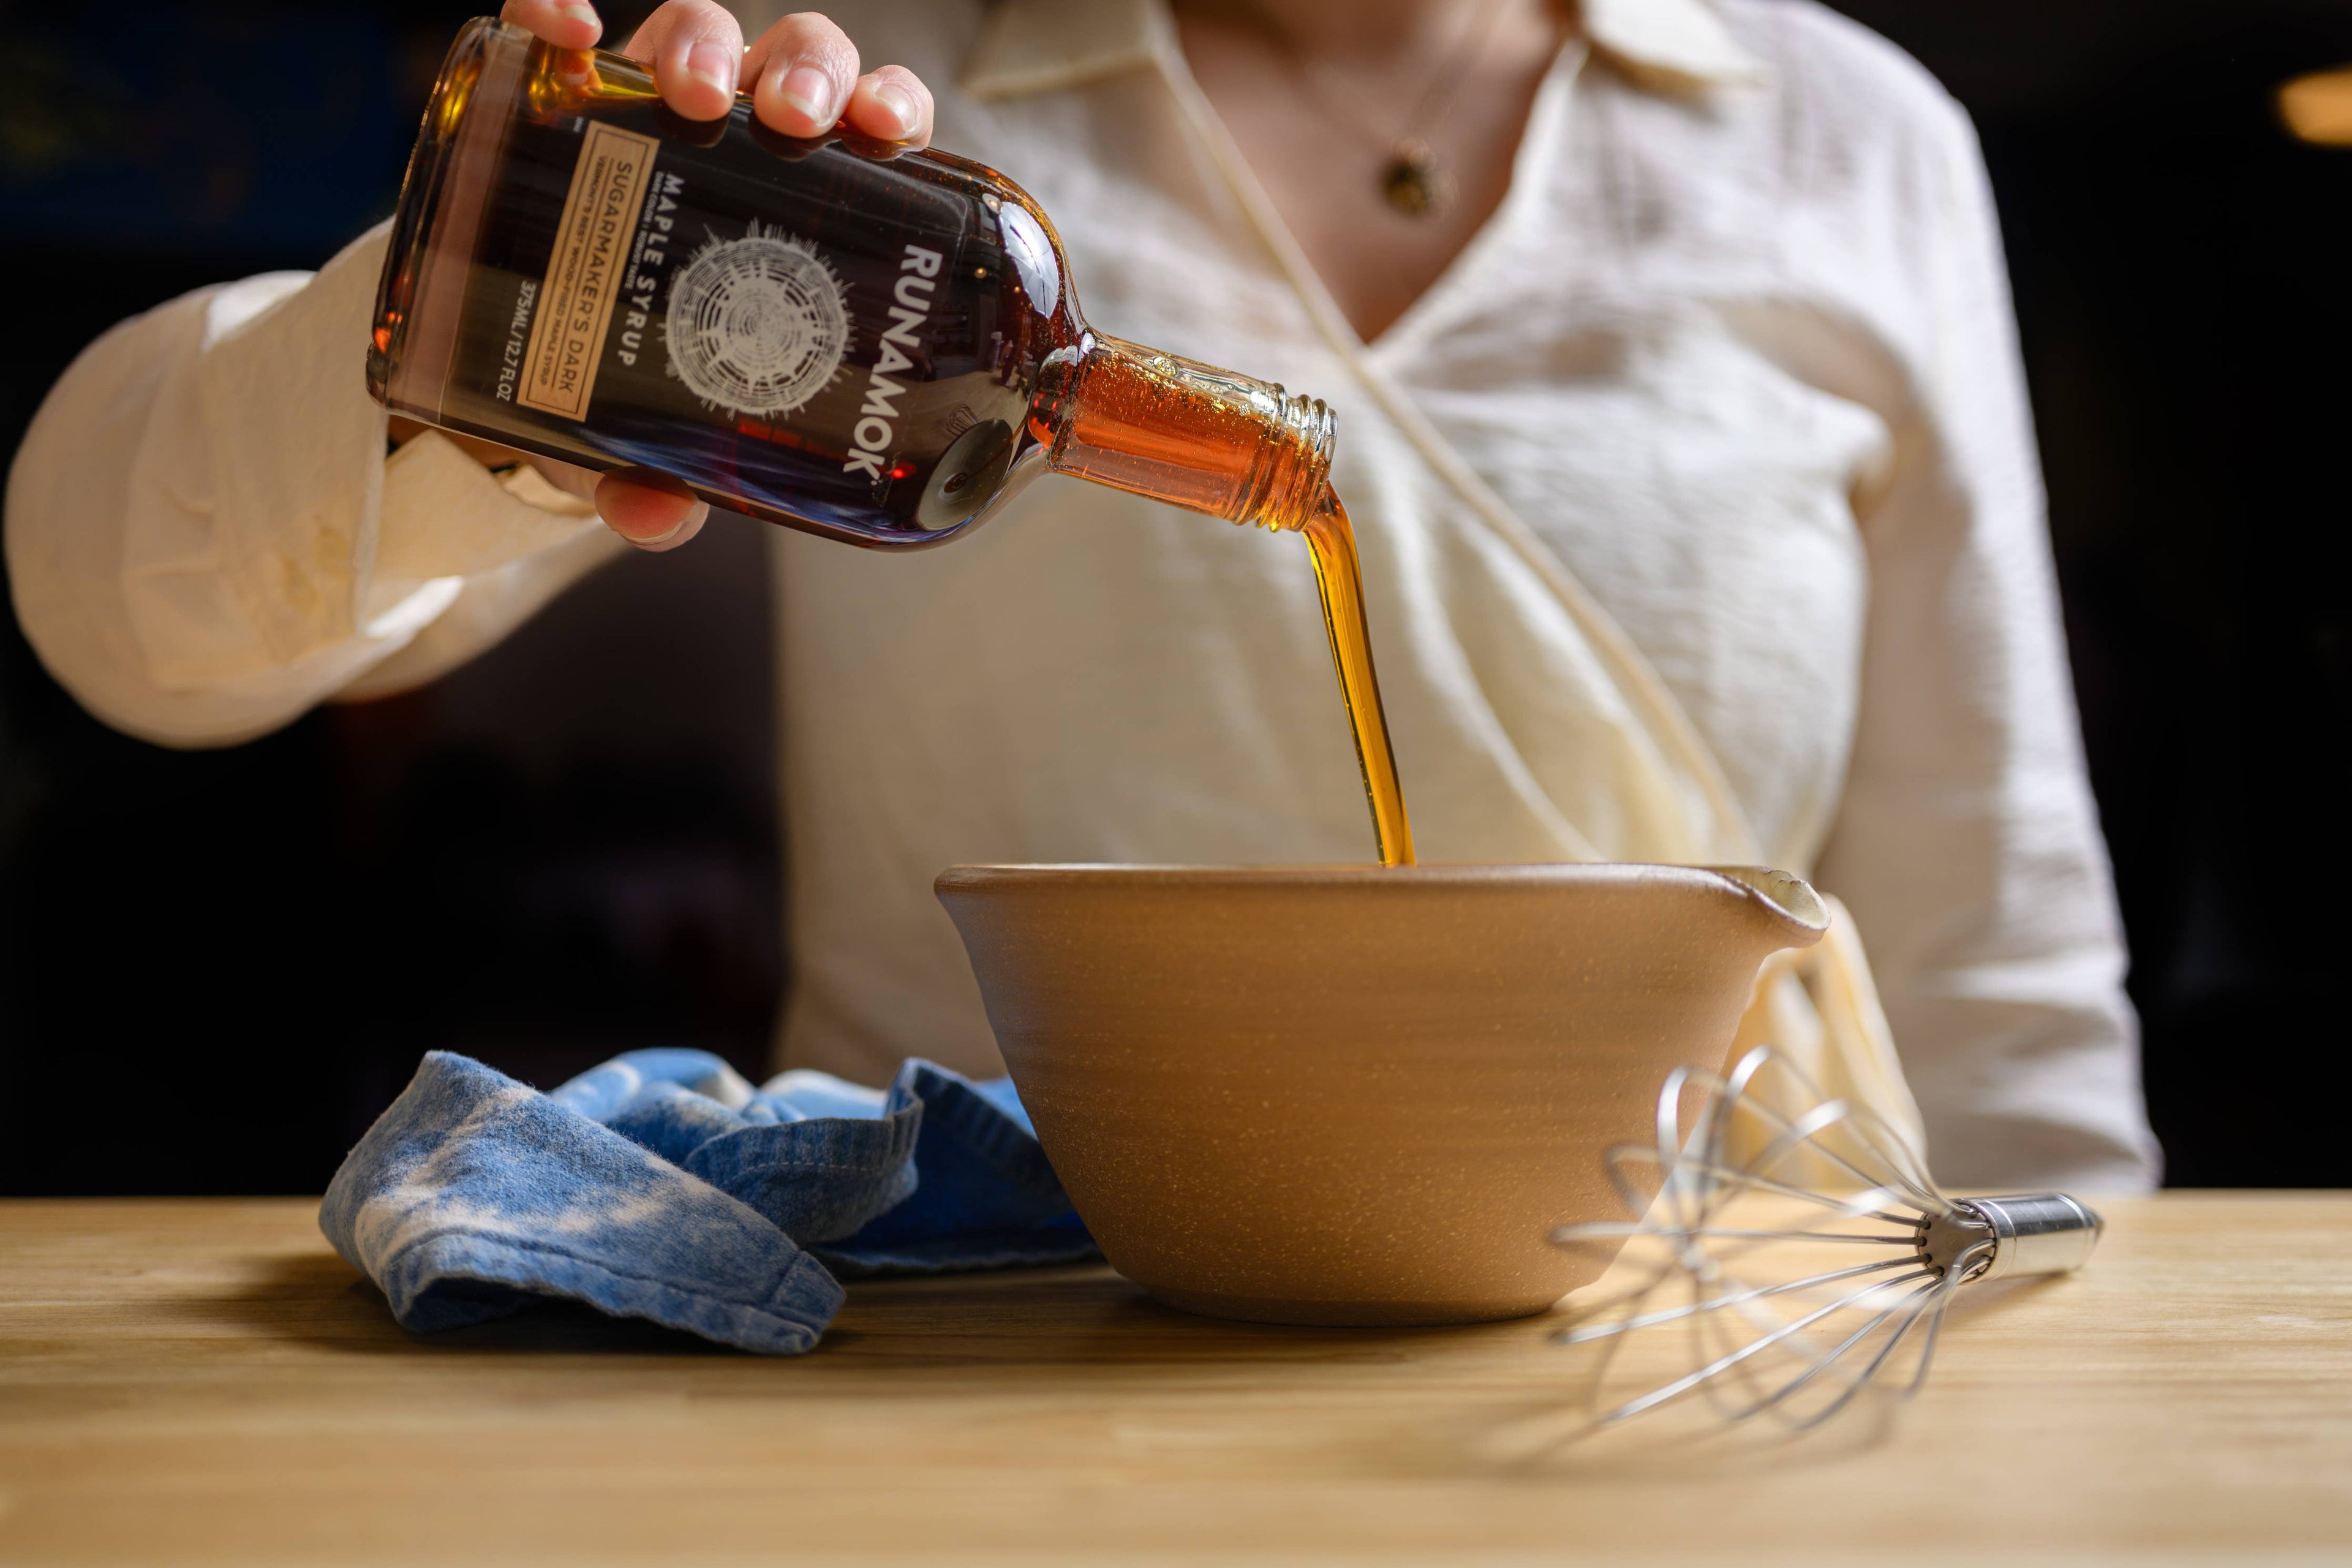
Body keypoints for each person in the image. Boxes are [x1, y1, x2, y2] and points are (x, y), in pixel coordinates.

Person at [2, 0, 2162, 1191]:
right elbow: (118, 612)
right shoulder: (852, 96)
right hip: (978, 1362)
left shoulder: (1854, 136)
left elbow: (2002, 973)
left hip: (1680, 1353)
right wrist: (484, 379)